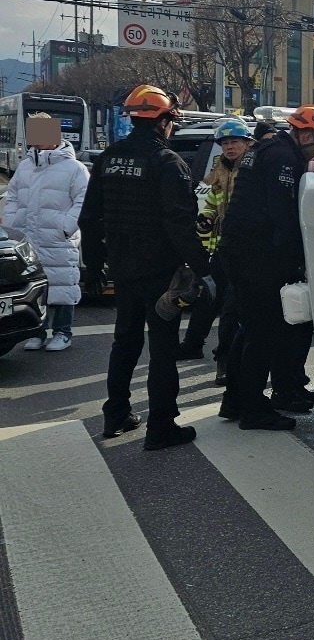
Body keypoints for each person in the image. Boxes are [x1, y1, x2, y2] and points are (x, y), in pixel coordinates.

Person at [79, 85, 213, 450]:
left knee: (124, 342)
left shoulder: (108, 158)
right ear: (166, 120)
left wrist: (93, 268)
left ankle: (116, 415)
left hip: (121, 267)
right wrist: (205, 270)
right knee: (163, 349)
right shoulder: (168, 163)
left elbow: (89, 219)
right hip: (159, 273)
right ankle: (162, 427)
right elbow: (179, 224)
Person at [219, 105, 314, 431]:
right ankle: (252, 409)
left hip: (240, 251)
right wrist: (297, 260)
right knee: (263, 333)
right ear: (304, 134)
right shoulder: (283, 158)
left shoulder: (266, 149)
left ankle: (236, 400)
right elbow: (282, 215)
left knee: (249, 330)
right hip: (256, 255)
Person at [1, 112, 88, 351]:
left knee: (62, 283)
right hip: (27, 238)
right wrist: (11, 224)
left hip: (57, 237)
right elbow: (12, 197)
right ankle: (37, 331)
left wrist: (66, 227)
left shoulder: (75, 168)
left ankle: (63, 332)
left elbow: (83, 201)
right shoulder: (25, 166)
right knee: (35, 286)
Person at [179, 119, 254, 381]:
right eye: (225, 143)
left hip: (246, 250)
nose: (229, 147)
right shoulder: (220, 169)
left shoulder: (252, 168)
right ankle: (193, 345)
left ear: (247, 143)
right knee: (209, 296)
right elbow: (212, 202)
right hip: (223, 247)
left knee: (232, 308)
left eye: (235, 141)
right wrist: (206, 217)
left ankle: (224, 362)